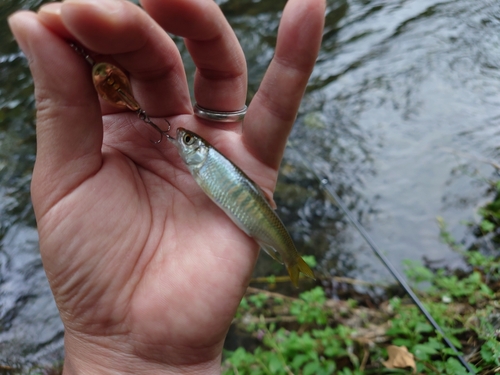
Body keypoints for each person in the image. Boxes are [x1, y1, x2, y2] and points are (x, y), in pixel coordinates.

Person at [8, 0, 325, 373]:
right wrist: (113, 349)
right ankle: (292, 258)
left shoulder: (202, 163)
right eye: (190, 143)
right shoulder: (192, 162)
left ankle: (291, 257)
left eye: (191, 144)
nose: (186, 144)